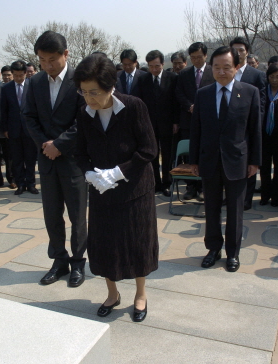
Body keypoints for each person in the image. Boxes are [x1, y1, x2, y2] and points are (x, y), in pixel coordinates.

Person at [74, 53, 158, 322]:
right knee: (104, 243)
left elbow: (149, 150)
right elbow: (79, 151)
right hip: (102, 191)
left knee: (137, 243)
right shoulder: (85, 113)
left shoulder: (134, 107)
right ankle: (112, 294)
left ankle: (140, 294)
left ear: (111, 87)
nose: (90, 99)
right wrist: (89, 173)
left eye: (95, 92)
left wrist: (118, 172)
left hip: (135, 191)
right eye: (84, 92)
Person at [23, 31, 88, 287]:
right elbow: (28, 116)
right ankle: (59, 260)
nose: (48, 65)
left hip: (73, 159)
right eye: (42, 60)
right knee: (52, 214)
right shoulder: (36, 82)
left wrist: (59, 144)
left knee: (77, 214)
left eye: (52, 59)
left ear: (66, 54)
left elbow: (84, 118)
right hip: (47, 159)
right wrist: (45, 144)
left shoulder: (79, 80)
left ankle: (78, 263)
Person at [189, 46, 261, 272]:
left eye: (226, 67)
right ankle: (213, 249)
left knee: (235, 211)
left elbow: (255, 130)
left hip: (238, 161)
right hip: (209, 160)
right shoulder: (203, 93)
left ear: (237, 67)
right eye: (217, 67)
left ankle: (233, 253)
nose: (221, 72)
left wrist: (255, 162)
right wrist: (194, 161)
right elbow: (196, 130)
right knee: (210, 209)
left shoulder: (249, 92)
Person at [230, 37, 267, 211]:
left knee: (248, 164)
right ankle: (230, 196)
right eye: (234, 50)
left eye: (241, 50)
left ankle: (247, 198)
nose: (238, 53)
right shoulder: (226, 72)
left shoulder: (257, 75)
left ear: (247, 52)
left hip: (248, 127)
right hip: (230, 128)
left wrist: (254, 123)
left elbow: (262, 101)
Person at [175, 42, 215, 201]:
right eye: (193, 58)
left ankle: (205, 187)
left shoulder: (213, 72)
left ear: (206, 56)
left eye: (199, 57)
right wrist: (189, 106)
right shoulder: (184, 74)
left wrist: (202, 107)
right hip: (188, 120)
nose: (196, 60)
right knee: (190, 155)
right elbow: (178, 93)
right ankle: (191, 188)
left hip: (208, 121)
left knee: (205, 154)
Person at [138, 50, 178, 197]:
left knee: (167, 154)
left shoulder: (172, 78)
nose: (154, 69)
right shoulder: (143, 80)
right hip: (149, 124)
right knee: (152, 154)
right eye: (151, 66)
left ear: (162, 64)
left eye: (157, 66)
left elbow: (176, 102)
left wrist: (175, 121)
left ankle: (167, 183)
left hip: (168, 123)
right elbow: (140, 102)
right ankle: (155, 183)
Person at [0, 60, 38, 195]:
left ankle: (31, 184)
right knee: (17, 159)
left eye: (20, 75)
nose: (18, 78)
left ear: (25, 73)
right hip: (13, 129)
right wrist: (4, 128)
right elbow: (3, 110)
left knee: (30, 158)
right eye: (15, 75)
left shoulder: (32, 85)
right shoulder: (6, 88)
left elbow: (37, 108)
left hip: (29, 129)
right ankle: (20, 184)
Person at [260, 63, 278, 207]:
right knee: (264, 168)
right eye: (272, 76)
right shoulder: (263, 91)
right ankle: (264, 195)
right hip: (264, 136)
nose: (275, 80)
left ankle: (276, 196)